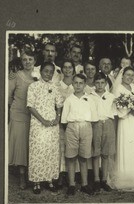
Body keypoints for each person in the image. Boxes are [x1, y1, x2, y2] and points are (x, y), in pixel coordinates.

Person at [27, 62, 64, 194]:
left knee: (50, 151)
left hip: (52, 124)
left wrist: (57, 118)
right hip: (38, 124)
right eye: (46, 71)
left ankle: (49, 180)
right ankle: (36, 181)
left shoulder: (54, 87)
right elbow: (30, 106)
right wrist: (42, 120)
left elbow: (59, 103)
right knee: (37, 150)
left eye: (50, 72)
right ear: (41, 71)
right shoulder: (33, 86)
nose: (48, 74)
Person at [61, 74, 98, 196]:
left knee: (83, 157)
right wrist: (73, 128)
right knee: (71, 157)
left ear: (85, 84)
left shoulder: (90, 99)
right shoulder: (69, 99)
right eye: (75, 83)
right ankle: (71, 184)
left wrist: (85, 128)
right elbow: (65, 120)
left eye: (80, 83)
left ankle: (84, 184)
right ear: (72, 83)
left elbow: (93, 118)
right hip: (72, 127)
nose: (78, 85)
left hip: (86, 127)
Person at [112, 67, 134, 189]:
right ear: (122, 75)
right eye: (127, 75)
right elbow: (117, 106)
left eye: (132, 75)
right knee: (126, 145)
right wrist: (129, 109)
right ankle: (124, 176)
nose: (130, 77)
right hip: (125, 120)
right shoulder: (118, 89)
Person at [8, 48, 37, 190]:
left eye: (30, 59)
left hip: (35, 116)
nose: (27, 62)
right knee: (21, 146)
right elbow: (8, 96)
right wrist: (13, 109)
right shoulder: (15, 76)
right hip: (19, 115)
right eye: (24, 59)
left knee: (32, 146)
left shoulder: (39, 75)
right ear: (21, 61)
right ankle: (21, 177)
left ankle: (33, 176)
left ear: (34, 61)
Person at [90, 72, 116, 192]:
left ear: (106, 83)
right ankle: (96, 180)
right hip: (95, 124)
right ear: (94, 83)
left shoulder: (111, 96)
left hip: (108, 124)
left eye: (102, 83)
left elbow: (114, 113)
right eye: (97, 83)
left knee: (106, 154)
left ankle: (104, 180)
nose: (100, 85)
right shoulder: (90, 96)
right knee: (96, 153)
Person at [55, 59, 76, 188]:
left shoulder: (78, 85)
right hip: (60, 121)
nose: (67, 70)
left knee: (72, 148)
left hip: (73, 122)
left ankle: (72, 175)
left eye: (70, 67)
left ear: (73, 69)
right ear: (62, 69)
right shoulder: (57, 85)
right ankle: (60, 174)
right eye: (65, 67)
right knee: (61, 148)